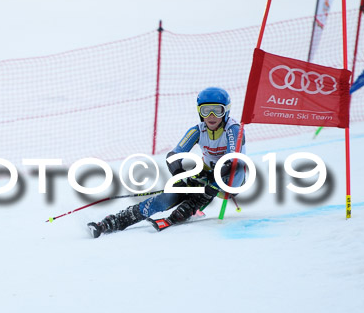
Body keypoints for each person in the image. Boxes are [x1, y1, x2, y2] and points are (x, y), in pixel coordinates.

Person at [87, 87, 247, 237]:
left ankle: (192, 204)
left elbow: (231, 161)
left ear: (225, 111)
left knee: (219, 181)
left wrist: (210, 184)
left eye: (217, 111)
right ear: (199, 112)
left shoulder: (234, 130)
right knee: (167, 198)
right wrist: (179, 177)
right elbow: (173, 155)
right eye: (206, 110)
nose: (211, 116)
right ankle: (115, 221)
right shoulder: (198, 130)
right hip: (208, 172)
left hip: (233, 175)